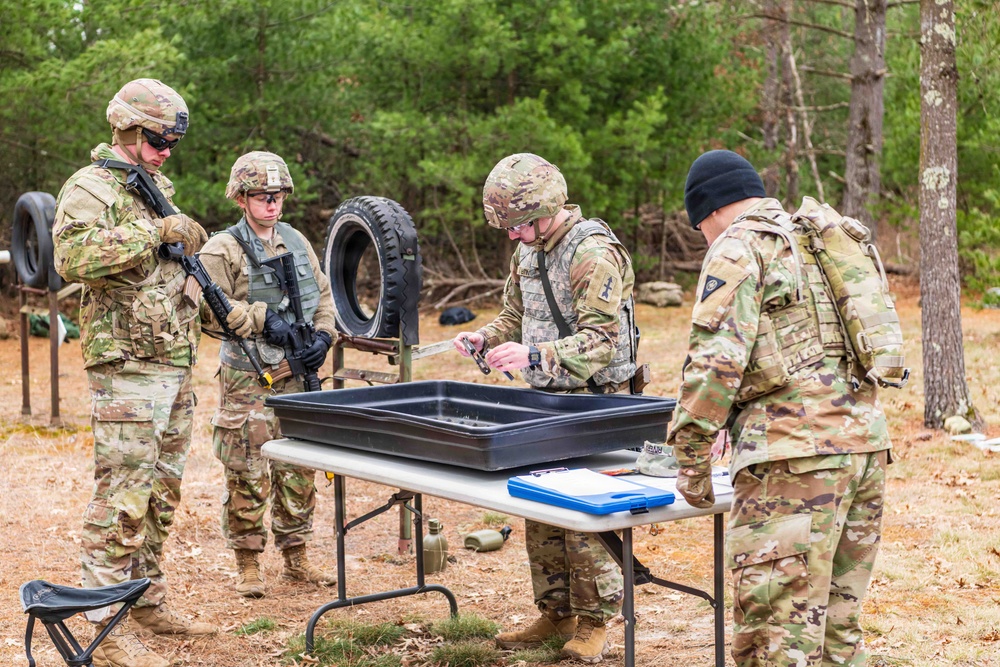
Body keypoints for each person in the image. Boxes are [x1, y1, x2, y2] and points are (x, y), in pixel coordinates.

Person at [666, 150, 891, 666]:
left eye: (699, 226)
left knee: (776, 636)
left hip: (793, 466)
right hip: (865, 451)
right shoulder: (818, 240)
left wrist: (692, 462)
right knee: (838, 633)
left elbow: (714, 366)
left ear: (709, 211)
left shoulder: (739, 246)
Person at [52, 79, 215, 667]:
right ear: (126, 128)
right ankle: (101, 620)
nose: (167, 148)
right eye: (158, 137)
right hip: (124, 365)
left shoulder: (157, 185)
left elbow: (161, 273)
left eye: (173, 139)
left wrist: (195, 285)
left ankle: (145, 598)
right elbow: (72, 259)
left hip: (173, 358)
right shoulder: (89, 186)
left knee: (163, 491)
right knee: (123, 491)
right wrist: (156, 230)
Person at [454, 153, 638, 663]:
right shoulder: (529, 249)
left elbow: (602, 341)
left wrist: (536, 354)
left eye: (516, 225)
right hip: (545, 400)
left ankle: (596, 620)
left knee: (585, 513)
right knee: (540, 509)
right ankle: (556, 611)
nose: (512, 236)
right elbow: (516, 313)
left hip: (594, 402)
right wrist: (485, 336)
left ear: (545, 208)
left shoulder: (592, 252)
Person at [198, 151, 337, 599]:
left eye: (276, 196)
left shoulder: (296, 240)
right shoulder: (223, 248)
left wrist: (324, 335)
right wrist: (260, 319)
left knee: (298, 467)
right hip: (249, 378)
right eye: (261, 196)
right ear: (241, 198)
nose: (271, 204)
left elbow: (324, 294)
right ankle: (249, 563)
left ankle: (297, 557)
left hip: (298, 373)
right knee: (247, 470)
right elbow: (204, 309)